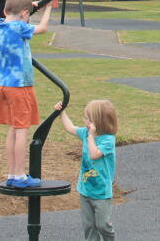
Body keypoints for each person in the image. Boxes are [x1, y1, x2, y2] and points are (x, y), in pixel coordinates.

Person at [0, 0, 54, 189]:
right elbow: (43, 28)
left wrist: (31, 7)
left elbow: (16, 14)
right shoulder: (21, 27)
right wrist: (48, 9)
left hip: (4, 85)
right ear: (24, 14)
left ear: (5, 10)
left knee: (13, 128)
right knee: (22, 131)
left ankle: (12, 172)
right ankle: (20, 175)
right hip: (20, 86)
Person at [55, 98, 118, 240]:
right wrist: (61, 112)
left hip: (101, 192)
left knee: (102, 225)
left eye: (87, 118)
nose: (84, 120)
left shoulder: (108, 140)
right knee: (89, 225)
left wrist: (90, 136)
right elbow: (70, 127)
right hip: (85, 189)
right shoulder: (85, 133)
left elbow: (94, 154)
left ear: (97, 122)